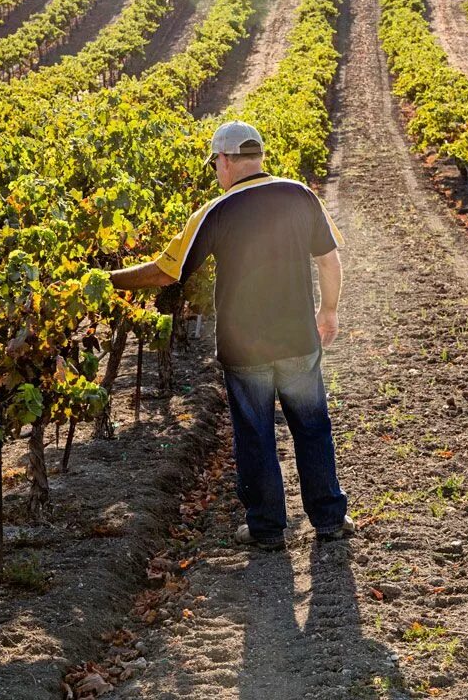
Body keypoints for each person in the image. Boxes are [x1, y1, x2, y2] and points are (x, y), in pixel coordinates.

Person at [109, 120, 353, 549]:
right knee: (313, 426)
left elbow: (166, 272)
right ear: (256, 156)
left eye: (215, 164)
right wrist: (328, 311)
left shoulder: (216, 211)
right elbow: (329, 260)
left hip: (244, 347)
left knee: (255, 433)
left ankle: (266, 529)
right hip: (299, 338)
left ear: (224, 161)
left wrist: (105, 279)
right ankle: (330, 520)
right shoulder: (300, 194)